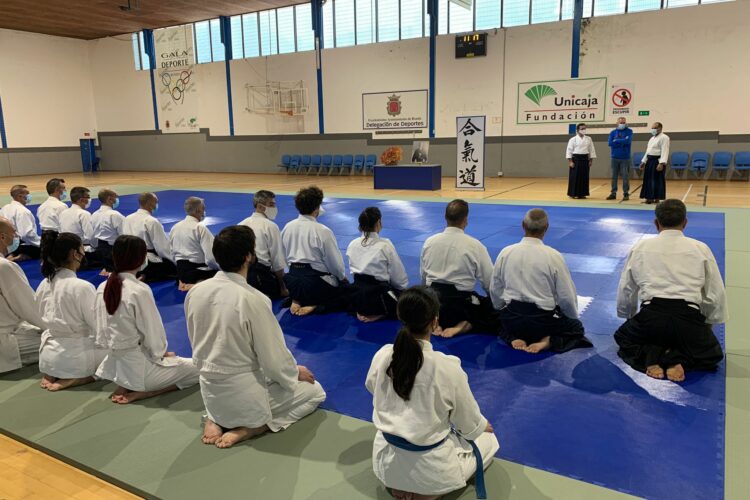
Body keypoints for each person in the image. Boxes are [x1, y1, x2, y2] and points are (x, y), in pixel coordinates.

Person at [185, 226, 326, 449]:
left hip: (211, 391)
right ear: (249, 256)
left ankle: (214, 417)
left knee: (249, 369)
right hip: (245, 399)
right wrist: (293, 371)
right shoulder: (253, 299)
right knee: (316, 391)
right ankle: (254, 427)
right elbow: (273, 358)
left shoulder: (196, 291)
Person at [366, 287, 499, 500]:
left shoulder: (383, 355)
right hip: (431, 471)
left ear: (401, 317)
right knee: (489, 441)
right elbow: (467, 422)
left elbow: (372, 388)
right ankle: (426, 493)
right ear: (434, 321)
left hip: (386, 462)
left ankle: (401, 484)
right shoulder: (447, 367)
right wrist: (481, 426)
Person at [615, 199, 726, 382]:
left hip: (651, 316)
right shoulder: (700, 248)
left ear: (656, 223)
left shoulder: (641, 247)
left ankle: (653, 356)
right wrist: (708, 322)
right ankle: (676, 359)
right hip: (688, 317)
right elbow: (714, 291)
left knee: (624, 339)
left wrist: (629, 315)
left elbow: (626, 287)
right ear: (685, 222)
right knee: (711, 354)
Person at [95, 235, 198, 403]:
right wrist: (162, 354)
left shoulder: (102, 287)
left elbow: (100, 330)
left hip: (115, 366)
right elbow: (152, 332)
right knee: (199, 368)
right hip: (141, 369)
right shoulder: (138, 290)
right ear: (141, 258)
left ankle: (127, 383)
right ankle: (144, 392)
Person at [490, 209, 592, 354]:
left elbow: (495, 288)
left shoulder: (506, 252)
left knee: (496, 320)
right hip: (543, 322)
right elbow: (566, 296)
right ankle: (547, 340)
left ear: (522, 225)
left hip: (513, 318)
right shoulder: (553, 256)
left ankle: (512, 337)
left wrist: (500, 307)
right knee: (576, 328)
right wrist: (570, 317)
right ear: (546, 228)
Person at [35, 232, 109, 391]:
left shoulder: (44, 283)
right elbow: (98, 327)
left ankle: (52, 372)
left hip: (48, 355)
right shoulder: (81, 287)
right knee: (125, 349)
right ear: (76, 254)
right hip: (76, 358)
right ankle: (86, 376)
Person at [420, 199, 498, 338]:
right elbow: (489, 282)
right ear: (465, 220)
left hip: (433, 304)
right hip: (460, 305)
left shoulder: (429, 242)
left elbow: (423, 277)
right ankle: (463, 325)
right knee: (494, 311)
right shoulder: (475, 245)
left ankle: (434, 321)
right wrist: (495, 303)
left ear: (445, 218)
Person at [281, 186, 350, 316]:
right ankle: (316, 305)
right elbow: (335, 264)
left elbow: (283, 257)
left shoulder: (287, 227)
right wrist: (342, 278)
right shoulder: (323, 231)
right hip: (315, 284)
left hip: (292, 282)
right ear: (317, 208)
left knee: (302, 284)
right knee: (347, 292)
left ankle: (296, 299)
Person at [346, 207, 409, 322]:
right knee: (409, 302)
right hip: (378, 296)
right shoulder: (385, 245)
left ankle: (360, 311)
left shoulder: (352, 244)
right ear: (378, 223)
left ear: (360, 225)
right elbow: (399, 279)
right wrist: (402, 290)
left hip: (357, 295)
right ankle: (380, 314)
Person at [0, 216, 43, 374]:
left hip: (9, 328)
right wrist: (55, 330)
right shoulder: (4, 267)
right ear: (2, 237)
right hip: (6, 339)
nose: (16, 236)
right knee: (69, 341)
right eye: (14, 233)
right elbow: (29, 309)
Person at [238, 190, 288, 299]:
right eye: (271, 205)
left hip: (241, 275)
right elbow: (277, 262)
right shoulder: (270, 226)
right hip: (259, 274)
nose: (274, 208)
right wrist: (283, 288)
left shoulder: (241, 224)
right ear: (260, 207)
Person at [122, 192, 176, 282]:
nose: (157, 205)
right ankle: (146, 275)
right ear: (150, 203)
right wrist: (175, 261)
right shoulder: (151, 221)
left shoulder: (128, 218)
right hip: (147, 260)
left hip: (129, 258)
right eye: (156, 202)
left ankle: (137, 273)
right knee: (175, 270)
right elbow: (162, 248)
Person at [169, 197, 218, 291]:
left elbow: (171, 252)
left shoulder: (175, 227)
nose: (204, 211)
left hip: (180, 272)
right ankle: (197, 284)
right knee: (223, 275)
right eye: (203, 209)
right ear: (198, 210)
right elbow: (211, 258)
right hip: (197, 272)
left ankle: (183, 282)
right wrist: (219, 267)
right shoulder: (200, 228)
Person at [59, 186, 100, 269]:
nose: (89, 200)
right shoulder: (84, 214)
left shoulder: (63, 213)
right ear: (81, 200)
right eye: (88, 197)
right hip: (82, 252)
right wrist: (97, 247)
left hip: (66, 251)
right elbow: (91, 236)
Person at [0, 185, 40, 261]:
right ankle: (18, 255)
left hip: (4, 243)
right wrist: (40, 242)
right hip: (17, 244)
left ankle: (11, 254)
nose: (29, 196)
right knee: (47, 249)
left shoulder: (4, 208)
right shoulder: (23, 211)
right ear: (20, 196)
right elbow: (26, 234)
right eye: (27, 193)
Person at [91, 189, 125, 273]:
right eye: (116, 198)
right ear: (109, 199)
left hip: (100, 250)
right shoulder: (114, 215)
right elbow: (124, 235)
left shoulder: (94, 214)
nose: (117, 200)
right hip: (113, 251)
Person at [639, 122, 670, 204]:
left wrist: (661, 163)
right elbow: (648, 151)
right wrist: (643, 161)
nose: (652, 130)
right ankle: (649, 197)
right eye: (652, 128)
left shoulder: (664, 138)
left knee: (657, 180)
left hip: (657, 161)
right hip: (650, 160)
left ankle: (657, 198)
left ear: (660, 128)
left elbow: (665, 151)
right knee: (648, 180)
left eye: (654, 128)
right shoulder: (652, 138)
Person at [565, 123, 596, 199]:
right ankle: (572, 193)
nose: (583, 130)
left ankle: (582, 194)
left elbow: (591, 150)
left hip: (585, 159)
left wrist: (591, 160)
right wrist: (570, 161)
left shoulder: (589, 139)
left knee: (584, 177)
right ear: (577, 130)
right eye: (582, 129)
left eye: (584, 128)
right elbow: (569, 151)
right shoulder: (573, 139)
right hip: (576, 159)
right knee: (574, 177)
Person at [36, 178, 68, 247]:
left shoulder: (41, 206)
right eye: (64, 188)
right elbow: (65, 226)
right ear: (57, 190)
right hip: (57, 240)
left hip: (44, 240)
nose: (66, 191)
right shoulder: (61, 206)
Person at [607, 118, 633, 201]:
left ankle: (626, 193)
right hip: (614, 157)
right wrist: (622, 141)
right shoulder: (613, 132)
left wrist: (616, 140)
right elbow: (610, 143)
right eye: (621, 122)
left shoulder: (629, 131)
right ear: (617, 123)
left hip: (625, 158)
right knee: (614, 176)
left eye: (624, 122)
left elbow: (628, 141)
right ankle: (613, 193)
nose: (622, 124)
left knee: (625, 176)